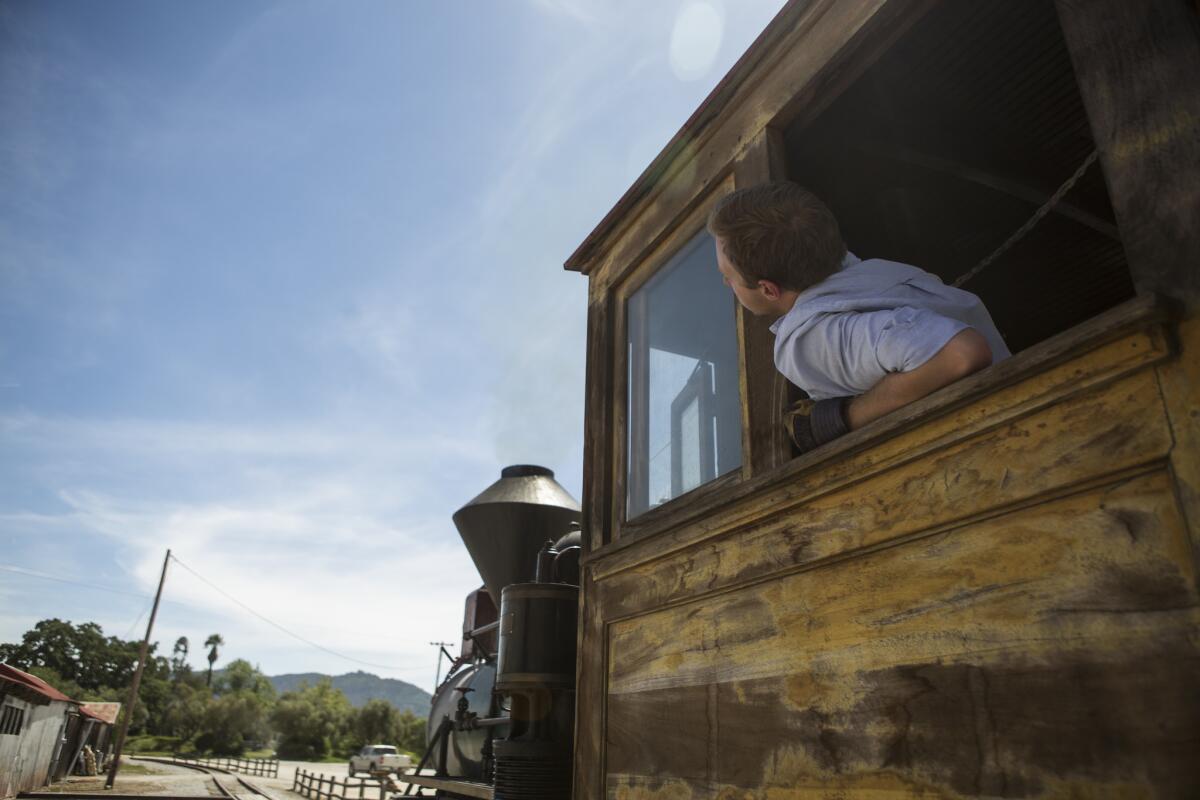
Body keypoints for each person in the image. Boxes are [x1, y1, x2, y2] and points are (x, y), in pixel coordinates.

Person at [708, 182, 1010, 452]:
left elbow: (962, 353)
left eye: (728, 276)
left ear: (768, 289)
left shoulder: (809, 339)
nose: (725, 284)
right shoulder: (883, 272)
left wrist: (843, 418)